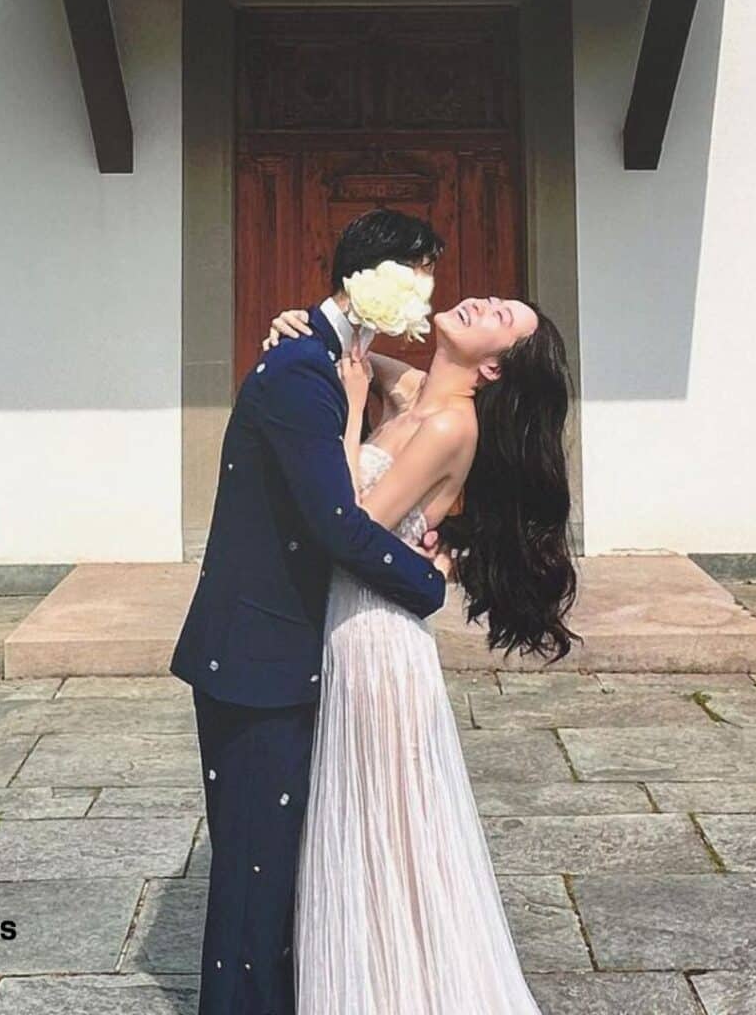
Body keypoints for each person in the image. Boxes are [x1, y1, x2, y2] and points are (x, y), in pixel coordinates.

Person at [168, 209, 451, 1015]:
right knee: (255, 876)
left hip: (295, 650)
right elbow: (335, 523)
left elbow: (436, 391)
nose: (429, 292)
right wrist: (427, 586)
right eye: (420, 271)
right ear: (377, 277)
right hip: (257, 651)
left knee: (288, 869)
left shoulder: (332, 358)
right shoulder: (300, 372)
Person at [264, 293, 580, 1013]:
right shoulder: (412, 392)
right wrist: (311, 330)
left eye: (500, 317)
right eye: (497, 298)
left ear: (495, 368)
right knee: (365, 820)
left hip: (377, 637)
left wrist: (346, 406)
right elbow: (363, 357)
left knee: (385, 820)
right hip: (348, 622)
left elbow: (350, 521)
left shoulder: (446, 422)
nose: (482, 302)